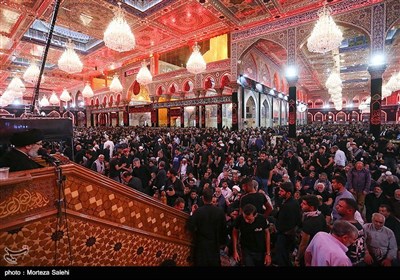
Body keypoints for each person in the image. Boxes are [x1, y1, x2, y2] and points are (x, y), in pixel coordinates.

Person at [187, 188, 227, 266]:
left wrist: (192, 213)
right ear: (212, 198)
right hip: (215, 245)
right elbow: (224, 229)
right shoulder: (220, 212)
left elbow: (190, 226)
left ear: (202, 198)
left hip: (201, 246)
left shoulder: (198, 212)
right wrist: (222, 243)